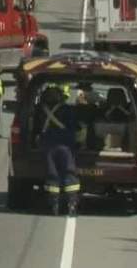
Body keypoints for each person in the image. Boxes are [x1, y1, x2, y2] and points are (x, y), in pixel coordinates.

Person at [36, 84, 84, 216]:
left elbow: (36, 129)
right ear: (61, 98)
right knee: (69, 174)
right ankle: (72, 205)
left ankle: (54, 206)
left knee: (52, 175)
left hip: (48, 147)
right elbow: (77, 127)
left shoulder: (40, 110)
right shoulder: (68, 110)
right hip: (66, 147)